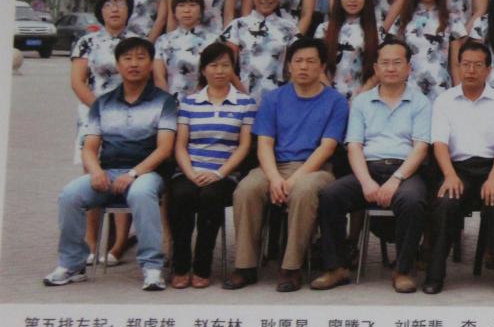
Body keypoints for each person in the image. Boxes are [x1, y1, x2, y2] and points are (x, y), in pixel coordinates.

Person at [44, 37, 177, 291]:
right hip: (108, 172)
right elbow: (89, 147)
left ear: (151, 64)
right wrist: (95, 171)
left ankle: (152, 267)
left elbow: (164, 148)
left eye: (141, 58)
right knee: (70, 195)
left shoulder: (164, 102)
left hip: (147, 174)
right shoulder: (102, 103)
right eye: (127, 58)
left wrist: (133, 173)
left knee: (140, 193)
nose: (134, 64)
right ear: (118, 64)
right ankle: (72, 265)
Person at [224, 37, 348, 292]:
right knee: (246, 189)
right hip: (274, 166)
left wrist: (292, 180)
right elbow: (265, 144)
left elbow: (326, 148)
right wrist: (274, 178)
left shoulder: (336, 102)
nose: (304, 67)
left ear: (322, 66)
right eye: (298, 61)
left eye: (311, 61)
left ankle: (291, 267)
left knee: (303, 191)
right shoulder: (273, 99)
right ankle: (245, 266)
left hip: (315, 169)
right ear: (289, 66)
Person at [314, 37, 431, 293]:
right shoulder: (362, 102)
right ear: (376, 68)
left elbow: (421, 148)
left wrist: (396, 179)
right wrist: (366, 181)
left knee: (412, 200)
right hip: (368, 169)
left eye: (397, 63)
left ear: (408, 68)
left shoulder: (421, 102)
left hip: (405, 171)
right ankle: (336, 267)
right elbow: (354, 146)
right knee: (331, 195)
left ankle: (403, 270)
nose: (391, 68)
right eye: (385, 63)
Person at [425, 41, 494, 296]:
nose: (471, 70)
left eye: (478, 65)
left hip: (492, 168)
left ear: (488, 70)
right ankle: (434, 274)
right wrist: (449, 176)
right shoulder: (444, 100)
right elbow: (439, 143)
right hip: (457, 169)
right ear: (458, 67)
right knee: (445, 201)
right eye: (466, 64)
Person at [168, 42, 257, 289]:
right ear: (203, 70)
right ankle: (180, 265)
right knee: (181, 194)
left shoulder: (245, 103)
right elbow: (180, 145)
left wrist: (219, 173)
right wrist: (190, 173)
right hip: (190, 171)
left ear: (233, 69)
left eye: (225, 65)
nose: (219, 71)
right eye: (213, 65)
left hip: (224, 174)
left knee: (210, 196)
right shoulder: (189, 102)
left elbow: (244, 146)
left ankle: (202, 266)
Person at [70, 0, 134, 264]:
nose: (114, 9)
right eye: (108, 4)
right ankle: (91, 242)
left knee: (123, 177)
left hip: (130, 117)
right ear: (100, 10)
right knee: (94, 179)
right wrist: (101, 110)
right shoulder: (87, 42)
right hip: (93, 115)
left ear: (129, 10)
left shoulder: (137, 42)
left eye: (120, 4)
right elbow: (77, 82)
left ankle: (118, 245)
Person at [389, 0, 467, 100]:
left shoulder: (452, 19)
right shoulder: (403, 18)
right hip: (408, 92)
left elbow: (456, 65)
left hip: (440, 92)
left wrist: (460, 97)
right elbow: (393, 59)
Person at [221, 0, 299, 104]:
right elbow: (227, 66)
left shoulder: (290, 28)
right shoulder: (237, 25)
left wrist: (285, 96)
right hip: (243, 98)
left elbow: (295, 68)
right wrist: (244, 96)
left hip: (279, 100)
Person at [316, 0, 380, 101]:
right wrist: (335, 99)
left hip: (365, 99)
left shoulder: (378, 31)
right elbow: (317, 68)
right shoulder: (323, 29)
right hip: (328, 98)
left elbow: (380, 69)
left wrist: (359, 99)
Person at [153, 0, 217, 103]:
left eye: (192, 5)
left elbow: (215, 75)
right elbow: (159, 77)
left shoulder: (212, 40)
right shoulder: (163, 41)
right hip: (171, 102)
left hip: (205, 102)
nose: (187, 10)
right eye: (181, 5)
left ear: (201, 10)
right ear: (174, 11)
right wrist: (168, 104)